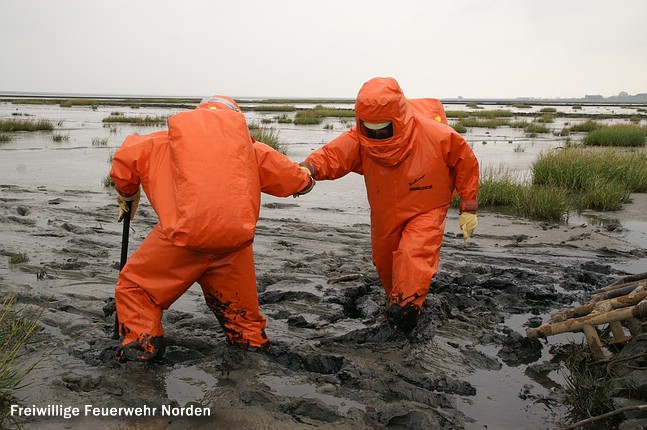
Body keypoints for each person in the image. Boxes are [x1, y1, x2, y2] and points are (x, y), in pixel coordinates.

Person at [109, 95, 314, 362]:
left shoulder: (160, 141)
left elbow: (124, 162)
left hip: (179, 240)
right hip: (233, 245)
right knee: (242, 317)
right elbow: (296, 182)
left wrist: (127, 194)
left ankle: (141, 348)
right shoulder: (251, 150)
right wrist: (307, 177)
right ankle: (251, 351)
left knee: (136, 289)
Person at [299, 77, 479, 333]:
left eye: (382, 128)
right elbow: (334, 154)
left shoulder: (437, 135)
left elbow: (466, 162)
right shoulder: (359, 139)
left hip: (427, 206)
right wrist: (309, 168)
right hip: (385, 211)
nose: (375, 134)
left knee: (413, 254)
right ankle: (397, 299)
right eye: (369, 128)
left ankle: (406, 310)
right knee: (385, 262)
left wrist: (468, 206)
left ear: (398, 119)